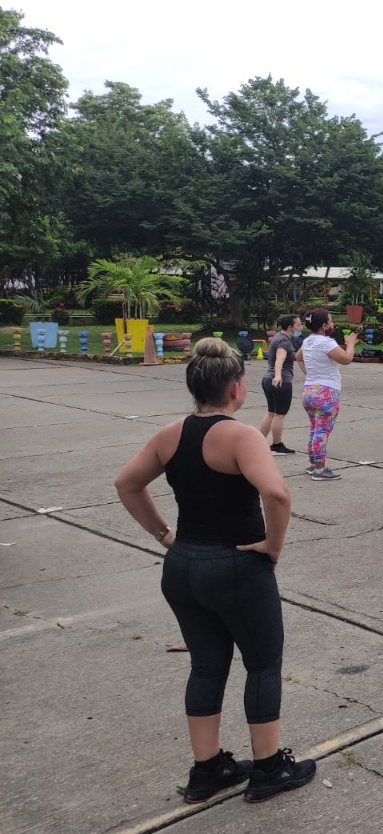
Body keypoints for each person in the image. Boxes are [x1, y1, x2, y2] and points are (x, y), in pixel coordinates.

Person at [114, 337, 317, 805]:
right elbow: (278, 494)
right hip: (235, 567)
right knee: (263, 663)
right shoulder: (242, 436)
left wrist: (164, 535)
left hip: (183, 566)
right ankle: (267, 769)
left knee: (206, 665)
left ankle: (208, 769)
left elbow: (127, 484)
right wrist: (273, 546)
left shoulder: (170, 434)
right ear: (235, 388)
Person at [294, 309, 357, 481]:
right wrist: (350, 343)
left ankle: (314, 464)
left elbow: (298, 357)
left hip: (309, 390)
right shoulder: (326, 342)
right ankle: (320, 470)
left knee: (315, 428)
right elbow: (346, 359)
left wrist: (310, 374)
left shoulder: (308, 341)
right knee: (322, 431)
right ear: (324, 326)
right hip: (327, 392)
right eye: (331, 320)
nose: (333, 324)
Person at [258, 314, 303, 456]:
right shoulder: (284, 342)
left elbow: (292, 357)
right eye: (298, 325)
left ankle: (257, 443)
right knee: (279, 415)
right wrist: (278, 376)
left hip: (267, 380)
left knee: (271, 412)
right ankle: (277, 445)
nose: (300, 328)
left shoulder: (278, 337)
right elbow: (280, 359)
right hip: (280, 382)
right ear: (290, 327)